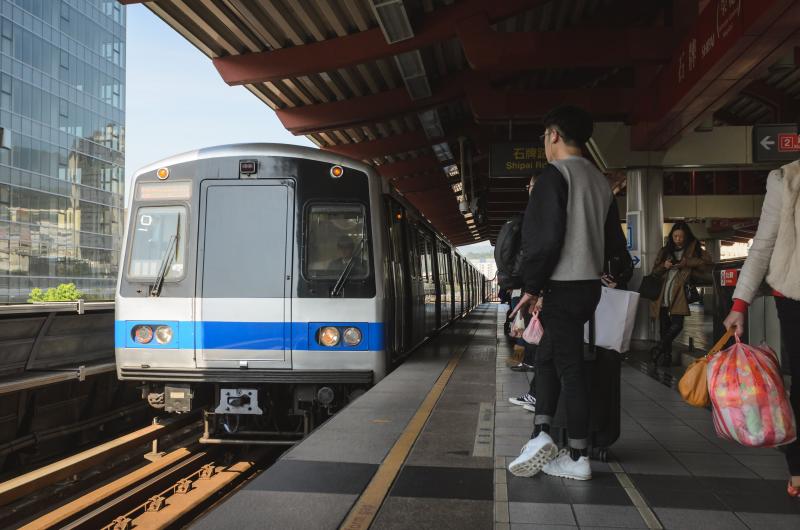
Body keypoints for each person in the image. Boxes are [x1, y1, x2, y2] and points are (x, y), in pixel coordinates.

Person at [507, 105, 627, 481]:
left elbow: (543, 240)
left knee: (569, 368)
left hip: (562, 285)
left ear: (554, 135)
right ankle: (541, 432)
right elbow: (615, 245)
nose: (545, 143)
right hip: (588, 287)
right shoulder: (599, 181)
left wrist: (531, 287)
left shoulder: (554, 175)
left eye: (545, 136)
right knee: (548, 358)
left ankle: (577, 456)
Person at [723, 159, 800, 499]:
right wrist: (740, 304)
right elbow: (764, 244)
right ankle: (798, 467)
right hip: (795, 295)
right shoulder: (785, 179)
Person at [648, 222, 712, 366]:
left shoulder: (694, 249)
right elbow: (654, 272)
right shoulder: (665, 250)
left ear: (686, 236)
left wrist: (687, 262)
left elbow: (707, 264)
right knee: (664, 326)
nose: (678, 239)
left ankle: (658, 348)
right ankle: (666, 357)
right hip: (663, 292)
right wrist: (663, 266)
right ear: (671, 236)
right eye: (675, 236)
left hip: (679, 291)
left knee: (677, 324)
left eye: (681, 237)